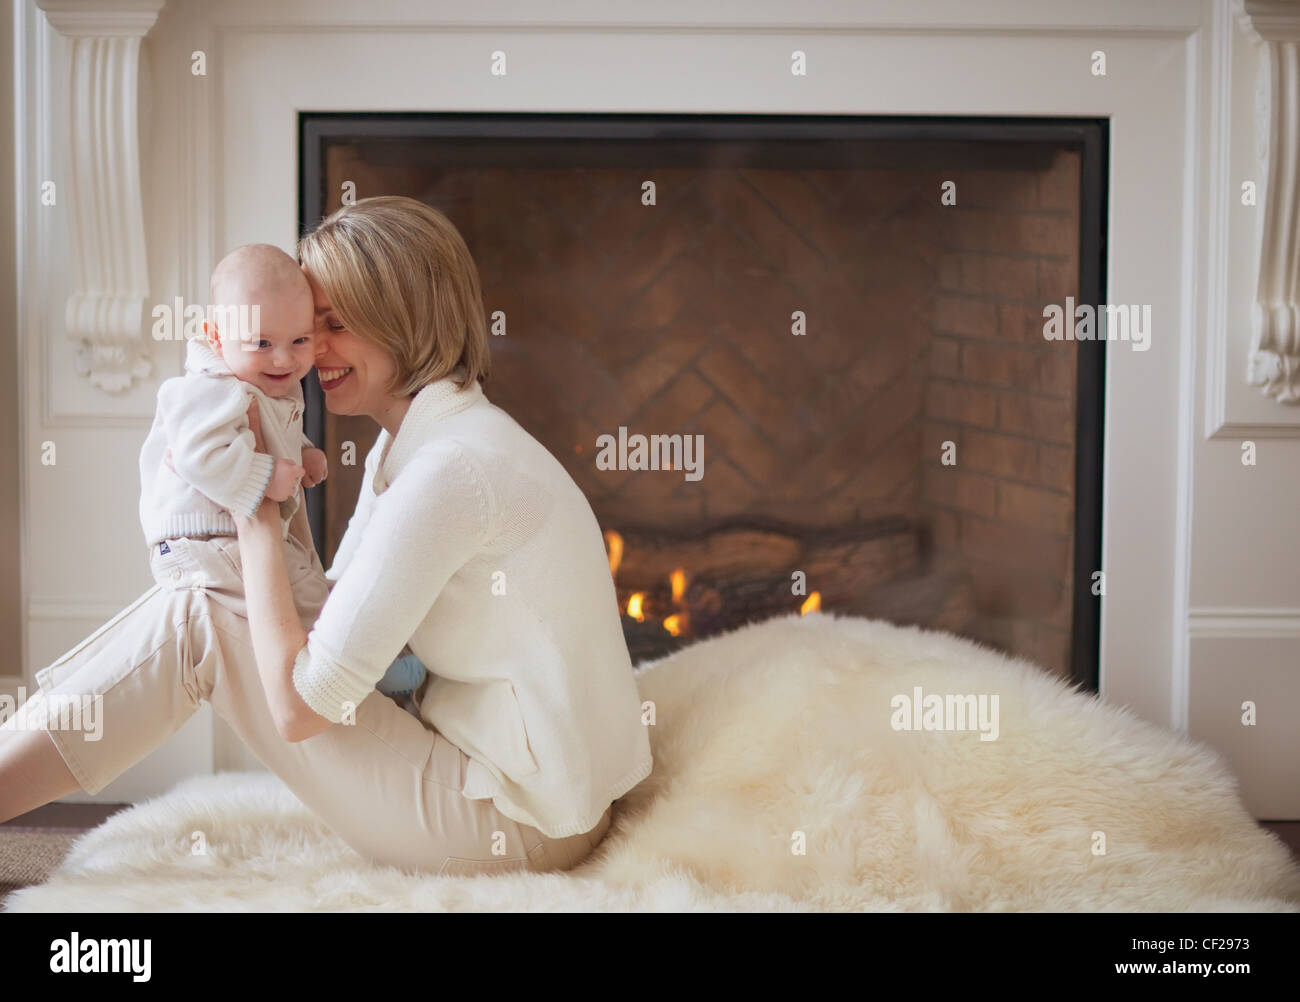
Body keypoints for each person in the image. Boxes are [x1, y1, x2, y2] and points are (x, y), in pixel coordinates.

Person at [0, 196, 654, 877]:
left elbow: (300, 706)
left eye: (332, 326)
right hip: (505, 780)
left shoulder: (452, 471)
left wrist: (251, 506)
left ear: (406, 323)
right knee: (198, 606)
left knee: (198, 616)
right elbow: (334, 612)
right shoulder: (416, 443)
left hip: (521, 823)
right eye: (310, 330)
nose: (308, 354)